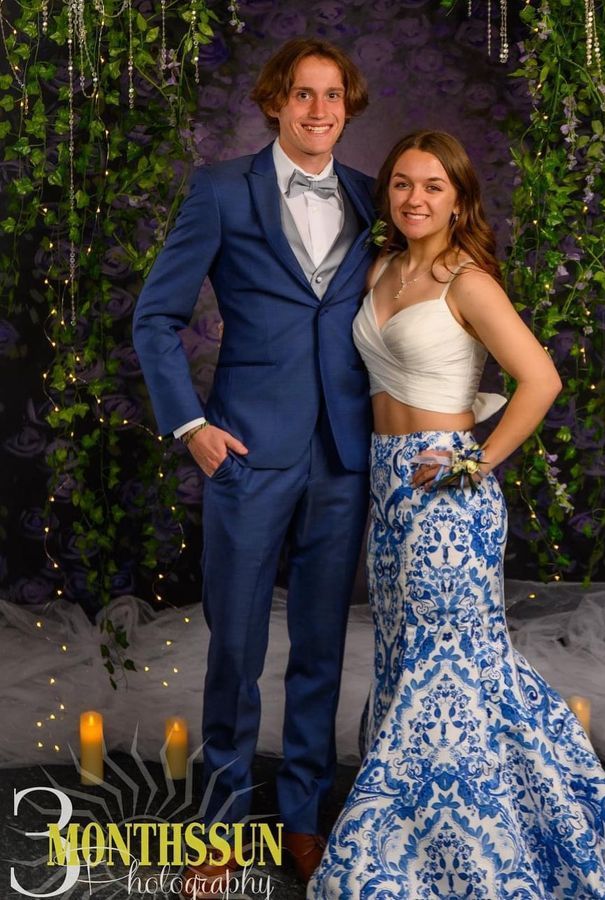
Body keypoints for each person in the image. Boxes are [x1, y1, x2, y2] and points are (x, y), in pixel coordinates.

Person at [308, 131, 605, 898]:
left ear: (459, 199)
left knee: (451, 667)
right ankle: (439, 817)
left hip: (450, 498)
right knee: (408, 658)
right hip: (391, 491)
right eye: (401, 184)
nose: (415, 199)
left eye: (433, 186)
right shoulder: (381, 268)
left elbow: (540, 380)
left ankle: (452, 833)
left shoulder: (469, 282)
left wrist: (474, 459)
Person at [132, 38, 375, 891]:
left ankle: (306, 816)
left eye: (333, 95)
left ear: (348, 104)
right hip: (244, 450)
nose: (319, 110)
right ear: (275, 103)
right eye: (303, 95)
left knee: (320, 648)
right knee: (234, 645)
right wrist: (190, 425)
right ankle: (221, 824)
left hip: (345, 458)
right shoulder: (220, 189)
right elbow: (155, 317)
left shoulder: (373, 198)